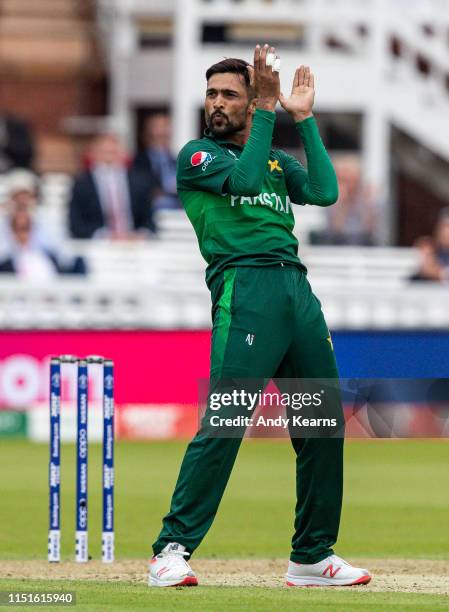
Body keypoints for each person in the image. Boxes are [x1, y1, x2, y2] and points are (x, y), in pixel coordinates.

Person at [149, 45, 372, 588]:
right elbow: (245, 183)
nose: (217, 103)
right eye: (212, 94)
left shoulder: (275, 157)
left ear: (250, 103)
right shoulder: (198, 156)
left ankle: (312, 557)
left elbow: (324, 190)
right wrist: (270, 112)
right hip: (245, 288)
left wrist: (304, 118)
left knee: (322, 427)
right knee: (226, 420)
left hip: (295, 288)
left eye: (230, 94)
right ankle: (170, 551)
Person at [68, 132, 157, 239]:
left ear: (123, 153)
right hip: (98, 244)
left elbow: (149, 220)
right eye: (105, 152)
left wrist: (140, 235)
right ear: (94, 154)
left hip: (134, 243)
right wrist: (105, 236)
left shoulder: (138, 181)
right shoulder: (82, 183)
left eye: (113, 152)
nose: (109, 157)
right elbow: (76, 224)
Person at [0, 207, 86, 277]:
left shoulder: (48, 257)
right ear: (12, 231)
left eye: (27, 227)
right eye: (20, 228)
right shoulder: (5, 265)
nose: (24, 234)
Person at [314, 153, 378, 245]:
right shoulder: (330, 200)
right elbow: (335, 231)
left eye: (352, 180)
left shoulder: (366, 201)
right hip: (336, 247)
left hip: (363, 248)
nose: (349, 185)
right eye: (344, 180)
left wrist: (368, 204)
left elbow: (369, 231)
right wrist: (340, 205)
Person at [133, 113, 182, 210]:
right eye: (157, 126)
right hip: (152, 214)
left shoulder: (177, 160)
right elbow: (143, 190)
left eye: (165, 126)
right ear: (148, 131)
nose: (162, 131)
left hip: (178, 214)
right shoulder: (139, 161)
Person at [410, 208, 449, 282]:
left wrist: (439, 273)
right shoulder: (430, 250)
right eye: (443, 226)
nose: (444, 231)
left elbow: (432, 272)